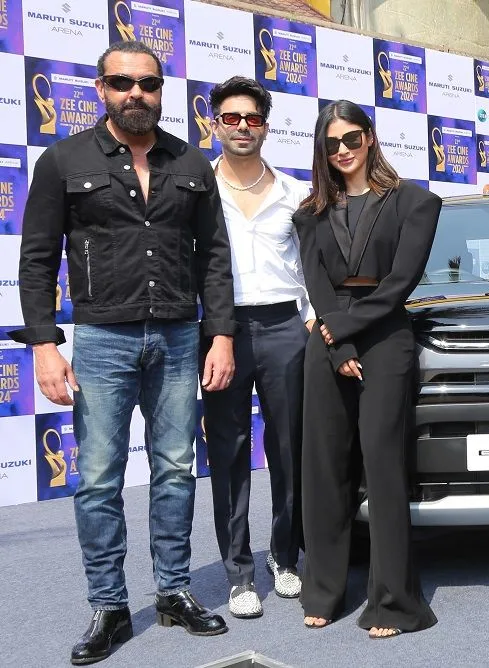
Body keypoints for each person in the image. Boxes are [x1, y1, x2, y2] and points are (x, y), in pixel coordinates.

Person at [11, 41, 235, 665]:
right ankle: (109, 606)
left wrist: (219, 333)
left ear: (162, 90)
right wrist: (45, 345)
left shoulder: (190, 161)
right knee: (101, 480)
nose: (136, 92)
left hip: (179, 336)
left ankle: (174, 592)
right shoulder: (63, 160)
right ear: (101, 88)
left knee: (174, 471)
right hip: (102, 339)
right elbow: (35, 261)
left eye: (148, 83)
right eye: (122, 82)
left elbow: (214, 257)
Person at [293, 100, 439, 638]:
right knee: (325, 469)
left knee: (382, 466)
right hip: (330, 342)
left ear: (370, 137)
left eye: (351, 139)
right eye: (331, 145)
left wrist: (345, 330)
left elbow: (401, 282)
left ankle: (395, 603)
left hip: (385, 338)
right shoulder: (308, 213)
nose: (343, 152)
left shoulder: (415, 202)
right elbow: (317, 284)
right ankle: (324, 591)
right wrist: (335, 344)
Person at [202, 76, 313, 619]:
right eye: (231, 118)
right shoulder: (198, 188)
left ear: (266, 126)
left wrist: (312, 321)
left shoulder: (295, 193)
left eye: (252, 118)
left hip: (285, 329)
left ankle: (285, 556)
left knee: (289, 448)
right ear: (215, 123)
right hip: (220, 333)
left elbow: (314, 267)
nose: (242, 127)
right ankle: (238, 572)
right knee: (228, 452)